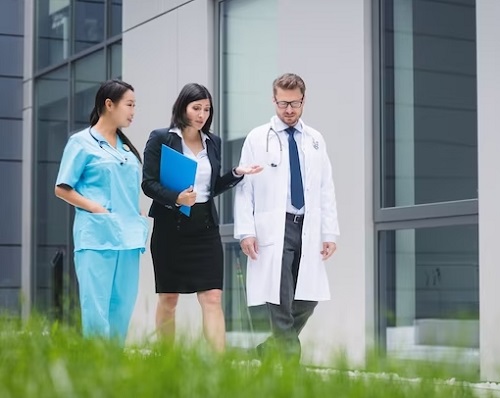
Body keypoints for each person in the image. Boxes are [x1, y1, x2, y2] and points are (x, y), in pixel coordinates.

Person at [141, 83, 262, 352]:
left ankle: (218, 368)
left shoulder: (213, 142)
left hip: (205, 228)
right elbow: (148, 184)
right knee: (169, 299)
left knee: (212, 297)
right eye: (196, 108)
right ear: (182, 107)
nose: (202, 114)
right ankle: (167, 360)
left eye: (207, 109)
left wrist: (236, 173)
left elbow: (212, 186)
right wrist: (176, 197)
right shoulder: (161, 138)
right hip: (170, 229)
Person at [234, 73, 340, 361]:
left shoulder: (315, 140)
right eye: (282, 103)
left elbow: (325, 188)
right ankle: (292, 363)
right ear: (274, 100)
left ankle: (268, 350)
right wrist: (246, 231)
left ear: (303, 101)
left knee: (308, 298)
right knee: (280, 298)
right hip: (275, 227)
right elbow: (245, 189)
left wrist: (329, 233)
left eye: (294, 103)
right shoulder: (258, 138)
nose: (289, 110)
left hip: (307, 226)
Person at [55, 79, 148, 344]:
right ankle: (95, 372)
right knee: (96, 310)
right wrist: (95, 207)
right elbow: (62, 188)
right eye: (129, 105)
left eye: (134, 105)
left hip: (128, 238)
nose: (133, 111)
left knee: (122, 308)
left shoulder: (128, 148)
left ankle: (113, 372)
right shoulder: (82, 143)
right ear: (109, 104)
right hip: (97, 237)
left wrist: (138, 214)